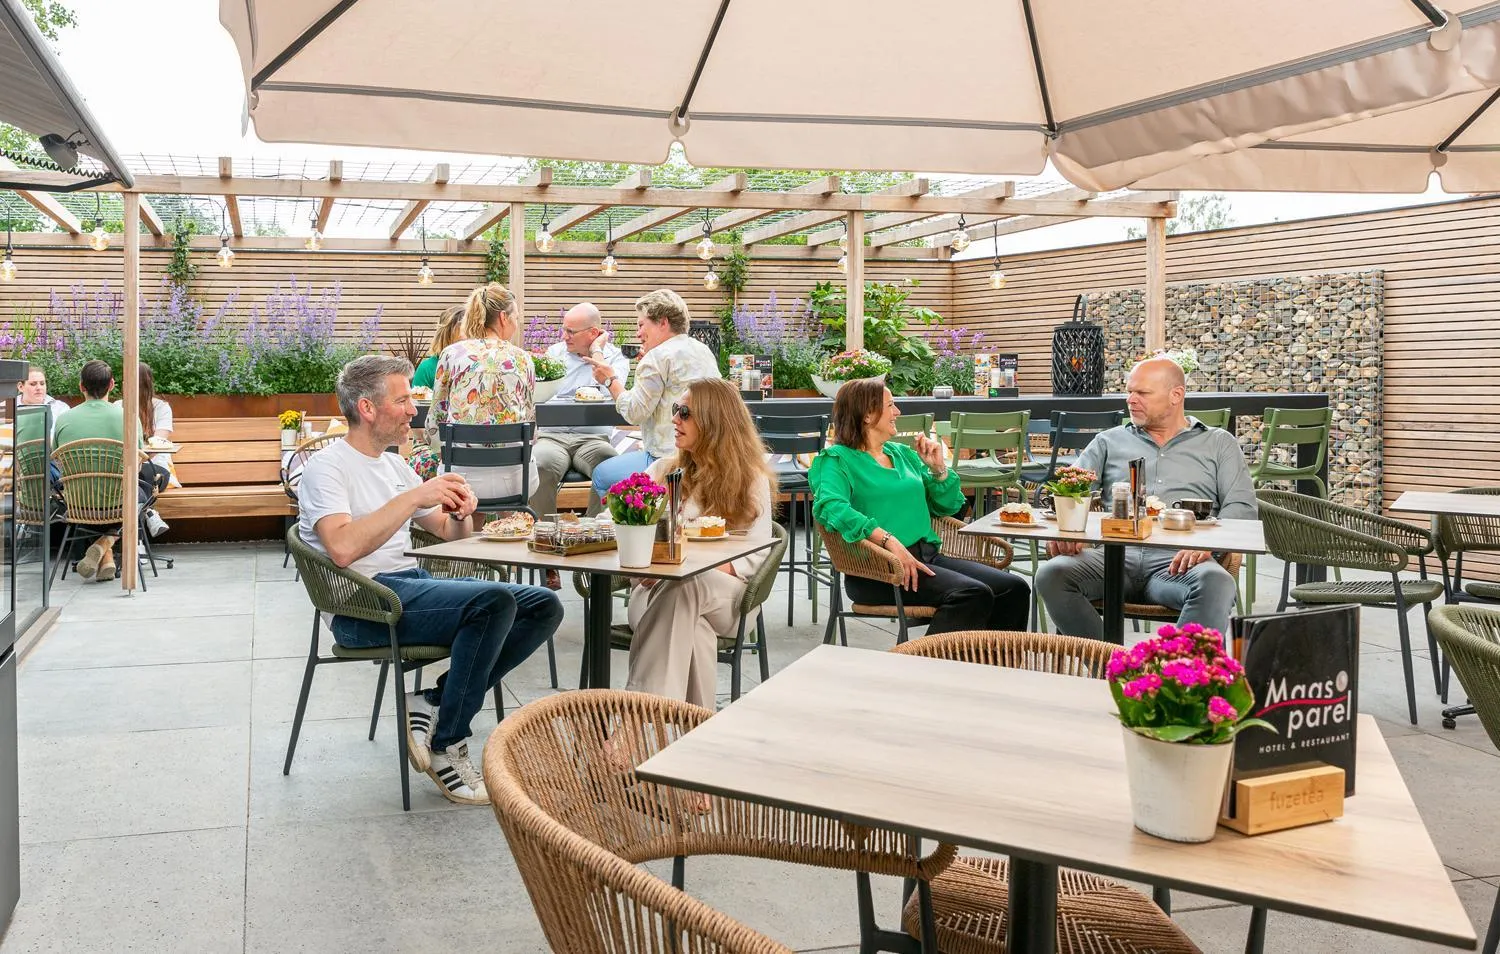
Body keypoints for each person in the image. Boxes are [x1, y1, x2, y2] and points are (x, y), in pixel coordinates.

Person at [297, 355, 563, 805]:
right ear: (367, 408)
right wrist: (415, 497)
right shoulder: (328, 468)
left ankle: (434, 703)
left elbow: (447, 532)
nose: (412, 411)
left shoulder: (394, 467)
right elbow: (341, 549)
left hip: (410, 588)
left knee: (543, 605)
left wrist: (462, 511)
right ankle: (447, 744)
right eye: (402, 401)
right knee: (494, 602)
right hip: (362, 608)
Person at [1033, 357, 1255, 641]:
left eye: (1142, 393)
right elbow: (1070, 491)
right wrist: (1066, 528)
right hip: (1111, 560)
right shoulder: (1108, 441)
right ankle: (1117, 670)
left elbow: (1242, 507)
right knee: (1052, 575)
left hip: (1179, 564)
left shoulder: (1218, 443)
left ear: (1176, 395)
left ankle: (1177, 680)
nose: (1131, 400)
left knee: (1217, 582)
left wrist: (1208, 546)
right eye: (1129, 391)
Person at [810, 378, 1030, 634]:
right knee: (971, 593)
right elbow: (831, 507)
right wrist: (888, 541)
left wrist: (938, 470)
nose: (897, 412)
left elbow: (947, 507)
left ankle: (992, 666)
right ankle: (924, 667)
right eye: (890, 405)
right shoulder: (835, 461)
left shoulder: (901, 454)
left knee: (1014, 588)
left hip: (927, 556)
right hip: (877, 570)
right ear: (868, 415)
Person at [624, 378, 775, 708]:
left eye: (685, 413)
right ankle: (694, 730)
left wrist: (692, 563)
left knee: (689, 583)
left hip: (731, 599)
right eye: (676, 410)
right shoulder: (662, 471)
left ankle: (632, 719)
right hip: (652, 593)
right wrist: (648, 567)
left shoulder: (751, 480)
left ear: (714, 421)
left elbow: (758, 557)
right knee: (695, 632)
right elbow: (633, 534)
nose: (674, 419)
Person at [585, 289, 718, 505]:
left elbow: (634, 413)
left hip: (668, 458)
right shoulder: (702, 350)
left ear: (663, 323)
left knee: (601, 475)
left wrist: (610, 380)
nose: (638, 333)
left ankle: (605, 533)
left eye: (641, 325)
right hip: (706, 455)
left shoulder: (656, 358)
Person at [53, 360, 171, 583]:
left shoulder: (63, 419)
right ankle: (105, 543)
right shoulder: (127, 418)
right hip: (117, 501)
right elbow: (136, 463)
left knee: (101, 496)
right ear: (112, 385)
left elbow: (57, 459)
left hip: (77, 501)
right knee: (139, 496)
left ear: (81, 386)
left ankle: (106, 557)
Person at [424, 283, 537, 514]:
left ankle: (468, 536)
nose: (517, 323)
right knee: (511, 503)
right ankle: (510, 530)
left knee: (468, 510)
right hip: (516, 480)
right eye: (516, 316)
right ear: (504, 317)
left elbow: (434, 423)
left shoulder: (451, 354)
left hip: (461, 479)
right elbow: (531, 427)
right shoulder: (523, 359)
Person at [531, 302, 628, 518]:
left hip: (594, 439)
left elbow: (615, 390)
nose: (564, 336)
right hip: (553, 438)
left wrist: (597, 352)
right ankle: (544, 532)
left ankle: (595, 531)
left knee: (612, 467)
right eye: (564, 329)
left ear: (593, 333)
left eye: (571, 331)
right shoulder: (553, 354)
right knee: (539, 464)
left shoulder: (615, 358)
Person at [115, 362, 176, 537]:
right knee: (132, 481)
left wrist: (136, 460)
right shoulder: (118, 406)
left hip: (155, 467)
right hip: (123, 469)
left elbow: (157, 443)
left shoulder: (161, 408)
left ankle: (137, 542)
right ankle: (149, 514)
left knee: (140, 478)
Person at [411, 304, 465, 390]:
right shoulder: (427, 368)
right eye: (459, 341)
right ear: (445, 336)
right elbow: (417, 401)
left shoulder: (476, 366)